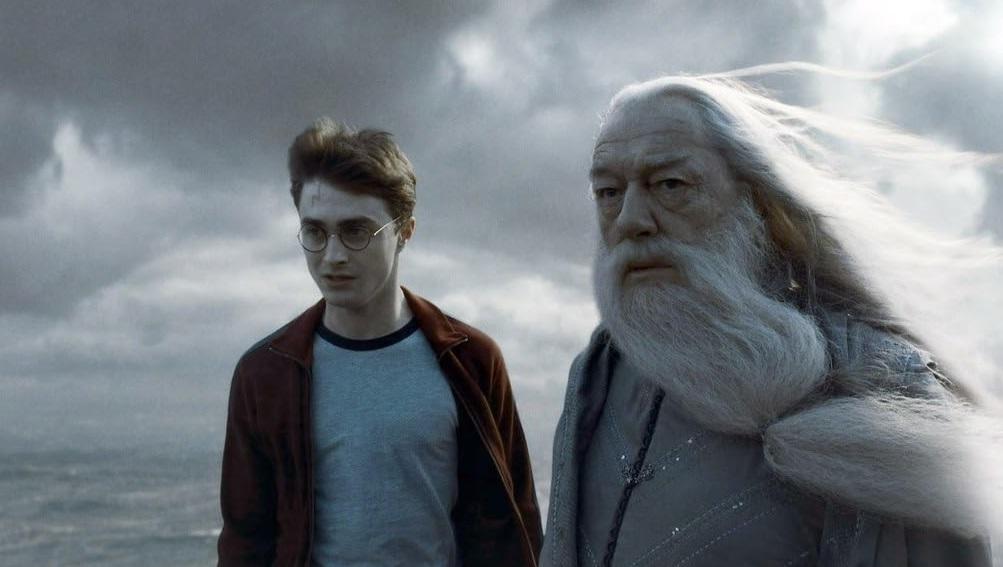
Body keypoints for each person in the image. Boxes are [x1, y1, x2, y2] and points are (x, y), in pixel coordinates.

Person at [541, 75, 999, 566]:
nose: (631, 219)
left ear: (757, 202)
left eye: (671, 185)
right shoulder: (596, 375)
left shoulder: (883, 385)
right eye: (608, 192)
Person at [218, 118, 542, 566]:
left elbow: (513, 526)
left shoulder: (471, 360)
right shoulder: (265, 374)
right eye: (315, 232)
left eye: (356, 231)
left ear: (404, 231)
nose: (333, 256)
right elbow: (245, 541)